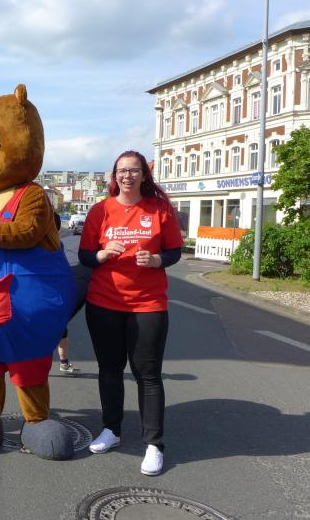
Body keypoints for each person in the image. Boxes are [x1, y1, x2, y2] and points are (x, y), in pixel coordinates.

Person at [79, 150, 183, 476]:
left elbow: (174, 251)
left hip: (148, 304)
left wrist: (156, 260)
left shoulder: (159, 209)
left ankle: (154, 444)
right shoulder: (101, 210)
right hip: (103, 303)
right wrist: (101, 254)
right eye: (122, 171)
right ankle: (112, 430)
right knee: (110, 369)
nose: (127, 176)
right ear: (115, 176)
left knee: (147, 374)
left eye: (134, 170)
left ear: (143, 175)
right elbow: (84, 256)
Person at [53, 211, 91, 374]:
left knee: (58, 320)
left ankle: (63, 362)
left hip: (75, 277)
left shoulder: (62, 241)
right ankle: (63, 363)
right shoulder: (62, 241)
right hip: (80, 278)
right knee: (58, 321)